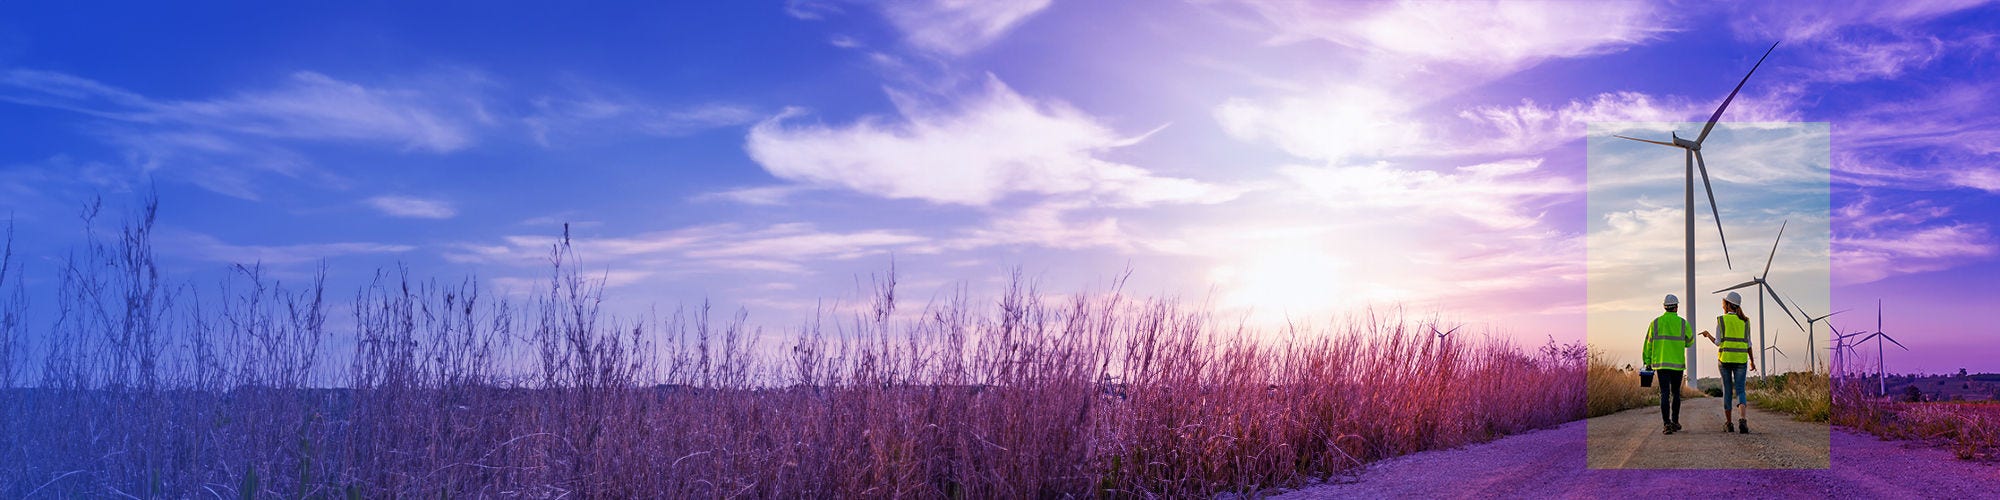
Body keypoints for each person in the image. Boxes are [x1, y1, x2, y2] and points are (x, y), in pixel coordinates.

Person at [1699, 291, 1756, 434]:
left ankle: (1729, 423)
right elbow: (1748, 343)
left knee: (1728, 391)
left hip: (1724, 360)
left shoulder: (1721, 320)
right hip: (1741, 360)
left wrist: (1708, 335)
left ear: (1728, 304)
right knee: (1741, 390)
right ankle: (1742, 419)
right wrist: (1752, 361)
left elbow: (1718, 342)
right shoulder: (1745, 321)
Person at [1643, 293, 1692, 434]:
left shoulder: (1655, 323)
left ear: (1664, 307)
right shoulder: (1683, 323)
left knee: (1664, 393)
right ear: (1676, 307)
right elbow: (1690, 342)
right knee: (1676, 393)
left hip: (1661, 364)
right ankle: (1675, 421)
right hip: (1677, 364)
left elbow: (1648, 344)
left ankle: (1666, 424)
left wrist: (1647, 361)